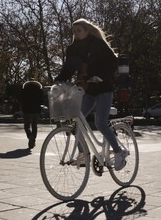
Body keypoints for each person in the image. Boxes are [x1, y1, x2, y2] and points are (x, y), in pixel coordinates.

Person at [54, 18, 127, 170]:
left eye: (79, 30)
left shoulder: (97, 44)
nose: (76, 34)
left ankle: (119, 152)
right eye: (74, 31)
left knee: (100, 122)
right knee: (76, 120)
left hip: (103, 88)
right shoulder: (73, 49)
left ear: (87, 31)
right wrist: (57, 82)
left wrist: (101, 75)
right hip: (87, 90)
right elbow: (68, 68)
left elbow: (113, 62)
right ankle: (83, 155)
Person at [20, 80, 43, 149]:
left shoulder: (24, 90)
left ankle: (30, 136)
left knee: (26, 126)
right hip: (36, 110)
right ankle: (33, 138)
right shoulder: (39, 90)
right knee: (34, 125)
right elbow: (42, 100)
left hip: (27, 110)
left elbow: (22, 99)